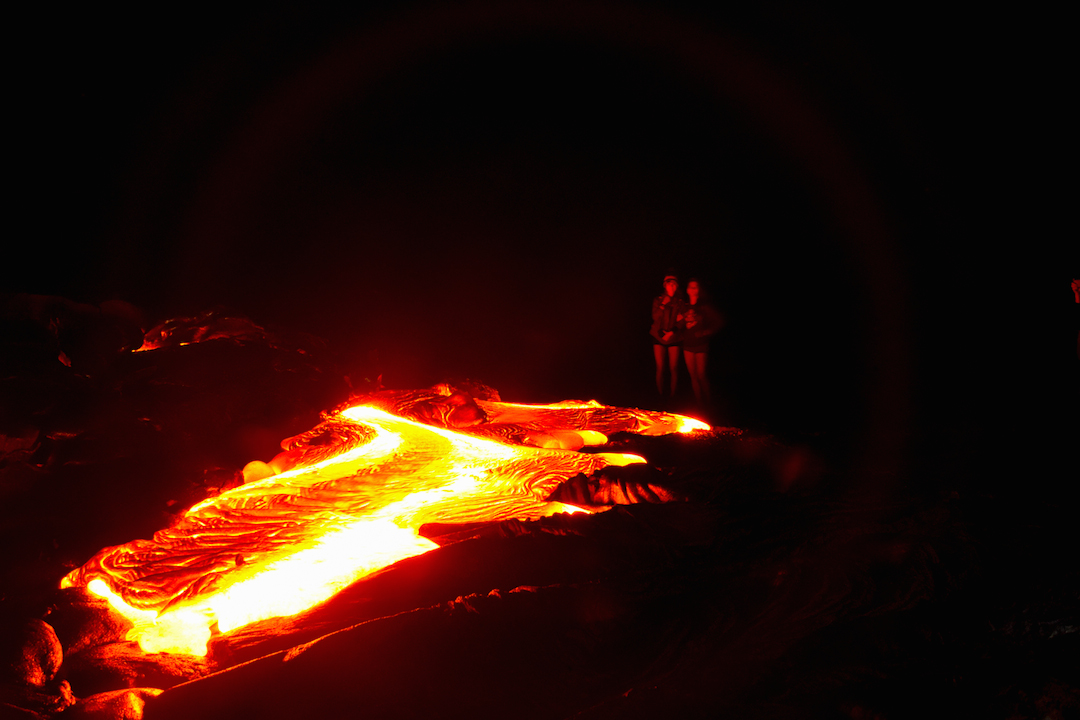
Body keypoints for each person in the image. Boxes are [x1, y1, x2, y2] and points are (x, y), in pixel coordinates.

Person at [680, 278, 724, 406]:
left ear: (699, 290)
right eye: (690, 287)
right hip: (687, 345)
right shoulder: (684, 306)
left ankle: (709, 401)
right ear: (687, 289)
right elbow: (679, 324)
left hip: (701, 345)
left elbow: (719, 322)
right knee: (693, 376)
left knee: (701, 375)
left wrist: (705, 332)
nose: (693, 289)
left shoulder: (704, 307)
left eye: (695, 287)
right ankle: (699, 403)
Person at [650, 271, 687, 398]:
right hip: (658, 337)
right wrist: (662, 305)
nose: (671, 287)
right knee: (660, 368)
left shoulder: (680, 302)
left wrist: (671, 332)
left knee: (674, 368)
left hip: (674, 337)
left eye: (674, 284)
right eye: (669, 284)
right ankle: (659, 395)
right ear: (664, 286)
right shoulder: (659, 300)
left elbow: (682, 321)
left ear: (676, 286)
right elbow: (655, 317)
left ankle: (673, 396)